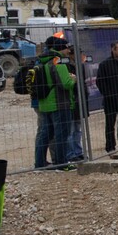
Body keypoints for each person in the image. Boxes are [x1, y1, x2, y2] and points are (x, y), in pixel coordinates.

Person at [36, 35, 78, 167]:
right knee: (61, 135)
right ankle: (62, 163)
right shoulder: (58, 61)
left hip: (44, 103)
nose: (68, 51)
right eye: (67, 48)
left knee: (45, 135)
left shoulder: (42, 60)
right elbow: (65, 83)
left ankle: (40, 162)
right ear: (62, 49)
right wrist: (73, 79)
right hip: (60, 103)